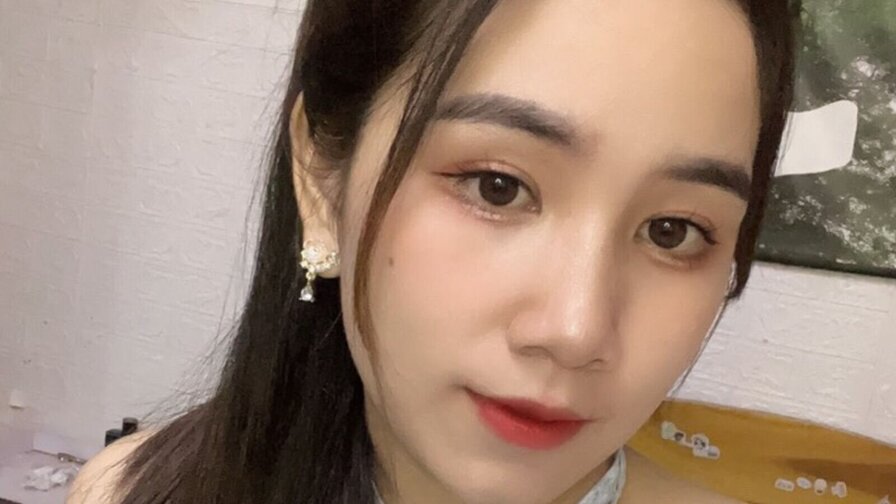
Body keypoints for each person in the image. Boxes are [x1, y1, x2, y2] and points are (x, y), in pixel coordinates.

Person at [66, 0, 798, 502]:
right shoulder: (131, 493)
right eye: (497, 187)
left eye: (673, 231)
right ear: (320, 181)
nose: (576, 330)